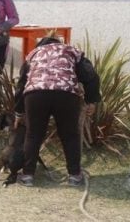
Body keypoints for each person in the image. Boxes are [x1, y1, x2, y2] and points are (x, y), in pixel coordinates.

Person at [13, 36, 101, 187]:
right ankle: (74, 176)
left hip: (36, 95)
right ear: (59, 44)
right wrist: (91, 100)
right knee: (70, 135)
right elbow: (91, 76)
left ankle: (27, 176)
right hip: (66, 94)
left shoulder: (34, 54)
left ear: (41, 45)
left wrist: (19, 113)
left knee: (33, 134)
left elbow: (21, 85)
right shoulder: (71, 51)